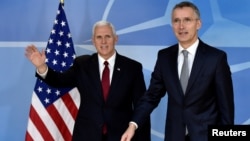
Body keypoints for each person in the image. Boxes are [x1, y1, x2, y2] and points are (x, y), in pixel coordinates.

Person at [121, 1, 234, 141]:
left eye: (187, 20)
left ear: (198, 24)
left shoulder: (216, 58)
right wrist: (133, 125)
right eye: (176, 21)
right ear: (172, 25)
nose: (181, 26)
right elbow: (151, 96)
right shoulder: (164, 57)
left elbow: (226, 108)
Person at [25, 20, 151, 141]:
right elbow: (59, 81)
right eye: (99, 37)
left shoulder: (132, 68)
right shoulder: (82, 64)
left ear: (115, 39)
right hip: (87, 135)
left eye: (108, 36)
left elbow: (142, 107)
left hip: (122, 136)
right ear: (93, 41)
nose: (103, 41)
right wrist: (41, 66)